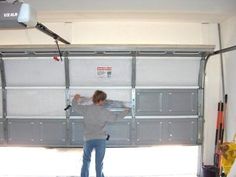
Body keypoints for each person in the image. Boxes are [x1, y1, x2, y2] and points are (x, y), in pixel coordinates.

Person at [72, 90, 130, 177]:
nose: (104, 102)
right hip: (100, 140)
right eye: (104, 100)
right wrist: (127, 111)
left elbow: (75, 106)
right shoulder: (104, 112)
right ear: (101, 100)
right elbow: (116, 118)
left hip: (88, 139)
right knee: (99, 163)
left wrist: (75, 98)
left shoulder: (86, 109)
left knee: (86, 160)